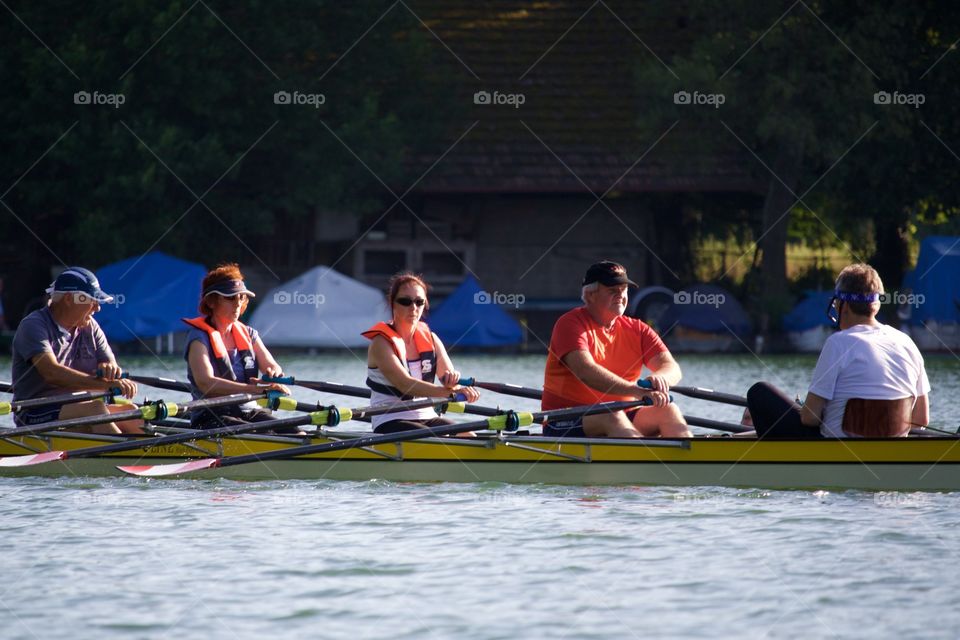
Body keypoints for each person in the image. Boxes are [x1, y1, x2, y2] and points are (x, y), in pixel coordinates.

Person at [747, 263, 930, 438]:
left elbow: (810, 418)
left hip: (837, 450)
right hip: (891, 451)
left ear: (842, 305)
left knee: (759, 392)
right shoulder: (907, 343)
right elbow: (921, 420)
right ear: (877, 305)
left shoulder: (838, 343)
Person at [542, 261, 691, 438]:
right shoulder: (570, 324)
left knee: (667, 410)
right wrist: (635, 391)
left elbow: (671, 367)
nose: (620, 295)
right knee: (612, 415)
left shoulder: (639, 329)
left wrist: (662, 378)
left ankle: (688, 462)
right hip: (565, 420)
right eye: (612, 290)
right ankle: (643, 461)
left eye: (624, 289)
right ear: (590, 295)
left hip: (622, 415)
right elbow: (585, 371)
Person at [11, 267, 140, 434]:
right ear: (68, 299)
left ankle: (152, 455)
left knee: (131, 411)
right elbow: (52, 373)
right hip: (35, 412)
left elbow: (110, 363)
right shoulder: (34, 326)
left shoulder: (91, 327)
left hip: (78, 407)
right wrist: (105, 384)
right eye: (92, 300)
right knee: (95, 409)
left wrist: (110, 368)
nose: (97, 308)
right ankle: (126, 456)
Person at [363, 271, 480, 434]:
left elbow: (450, 383)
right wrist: (451, 392)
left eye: (419, 302)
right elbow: (405, 385)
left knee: (469, 435)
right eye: (405, 301)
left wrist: (454, 382)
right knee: (436, 440)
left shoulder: (431, 339)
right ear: (392, 303)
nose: (413, 308)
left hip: (427, 416)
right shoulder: (381, 343)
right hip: (390, 420)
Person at [184, 263, 294, 432]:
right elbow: (206, 383)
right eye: (230, 298)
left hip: (248, 411)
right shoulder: (199, 338)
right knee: (260, 435)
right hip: (211, 416)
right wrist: (254, 389)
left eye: (241, 297)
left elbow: (271, 365)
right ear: (212, 301)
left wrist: (273, 375)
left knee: (296, 433)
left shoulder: (249, 334)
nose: (237, 303)